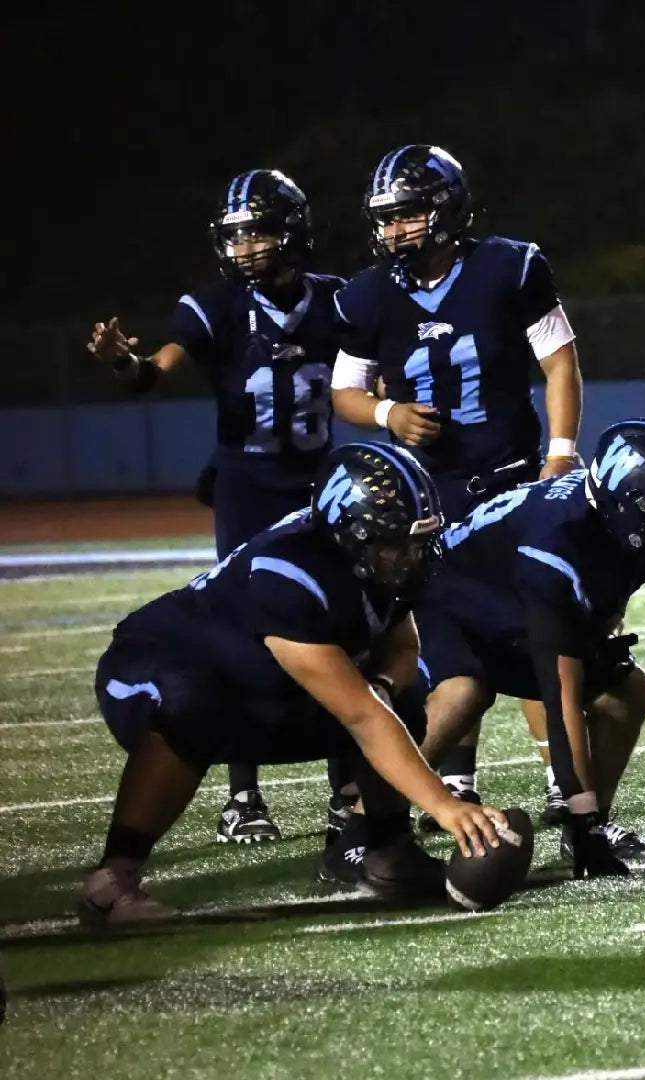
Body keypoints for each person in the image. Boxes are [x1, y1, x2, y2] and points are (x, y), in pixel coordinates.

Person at [79, 443, 506, 926]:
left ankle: (383, 850)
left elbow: (403, 649)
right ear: (351, 533)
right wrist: (444, 805)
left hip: (258, 686)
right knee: (189, 706)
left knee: (402, 693)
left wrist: (385, 687)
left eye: (416, 541)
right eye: (396, 543)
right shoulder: (288, 572)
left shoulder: (380, 557)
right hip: (148, 668)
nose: (410, 555)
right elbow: (361, 717)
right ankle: (113, 881)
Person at [88, 169, 347, 846]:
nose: (244, 247)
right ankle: (244, 796)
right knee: (245, 635)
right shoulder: (215, 306)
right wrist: (126, 363)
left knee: (342, 628)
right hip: (248, 486)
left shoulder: (337, 302)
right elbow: (158, 370)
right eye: (235, 235)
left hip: (321, 487)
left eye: (258, 231)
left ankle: (348, 796)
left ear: (293, 231)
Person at [331, 144, 584, 824]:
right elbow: (345, 393)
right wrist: (388, 413)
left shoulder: (511, 266)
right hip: (427, 497)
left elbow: (560, 365)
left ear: (444, 209)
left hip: (508, 477)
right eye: (386, 220)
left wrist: (558, 458)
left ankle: (565, 786)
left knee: (537, 628)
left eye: (407, 216)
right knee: (451, 650)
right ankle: (435, 786)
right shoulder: (365, 294)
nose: (394, 233)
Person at [400, 418, 645, 880]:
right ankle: (366, 827)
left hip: (511, 602)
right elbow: (560, 700)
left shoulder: (616, 526)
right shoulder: (555, 547)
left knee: (626, 692)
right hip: (448, 600)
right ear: (626, 503)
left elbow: (603, 612)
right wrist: (580, 822)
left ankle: (593, 823)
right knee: (464, 693)